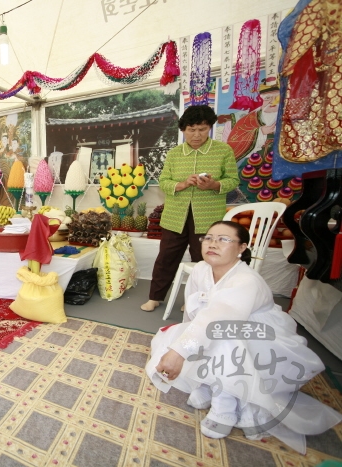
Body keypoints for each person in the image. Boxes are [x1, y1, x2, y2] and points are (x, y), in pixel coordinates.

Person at [146, 221, 342, 451]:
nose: (213, 244)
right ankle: (209, 382)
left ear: (241, 248)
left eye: (224, 239)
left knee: (224, 335)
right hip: (217, 327)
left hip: (263, 338)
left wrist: (179, 353)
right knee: (176, 339)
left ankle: (226, 402)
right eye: (208, 238)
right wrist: (184, 346)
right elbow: (195, 315)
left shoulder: (246, 280)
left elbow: (217, 320)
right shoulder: (200, 269)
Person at [141, 105, 239, 312]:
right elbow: (164, 181)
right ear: (183, 129)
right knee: (166, 258)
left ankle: (195, 300)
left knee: (202, 260)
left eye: (202, 129)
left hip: (208, 217)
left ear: (210, 128)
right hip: (176, 215)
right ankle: (155, 297)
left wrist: (214, 185)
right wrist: (183, 184)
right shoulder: (175, 154)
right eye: (191, 129)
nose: (196, 135)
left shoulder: (223, 151)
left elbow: (232, 180)